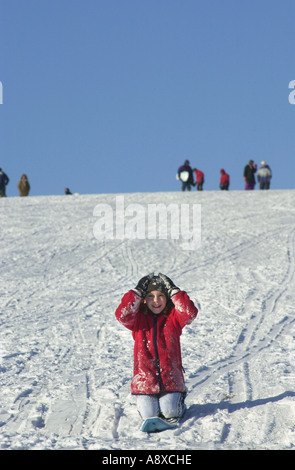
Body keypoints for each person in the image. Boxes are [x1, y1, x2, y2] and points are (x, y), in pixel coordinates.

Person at [115, 272, 199, 422]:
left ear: (167, 299)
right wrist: (137, 291)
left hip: (171, 380)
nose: (156, 300)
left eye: (161, 295)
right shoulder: (138, 319)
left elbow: (189, 313)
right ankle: (147, 406)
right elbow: (122, 315)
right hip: (145, 380)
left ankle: (179, 404)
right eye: (150, 296)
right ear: (144, 300)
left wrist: (174, 290)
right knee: (149, 415)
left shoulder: (174, 318)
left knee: (169, 411)